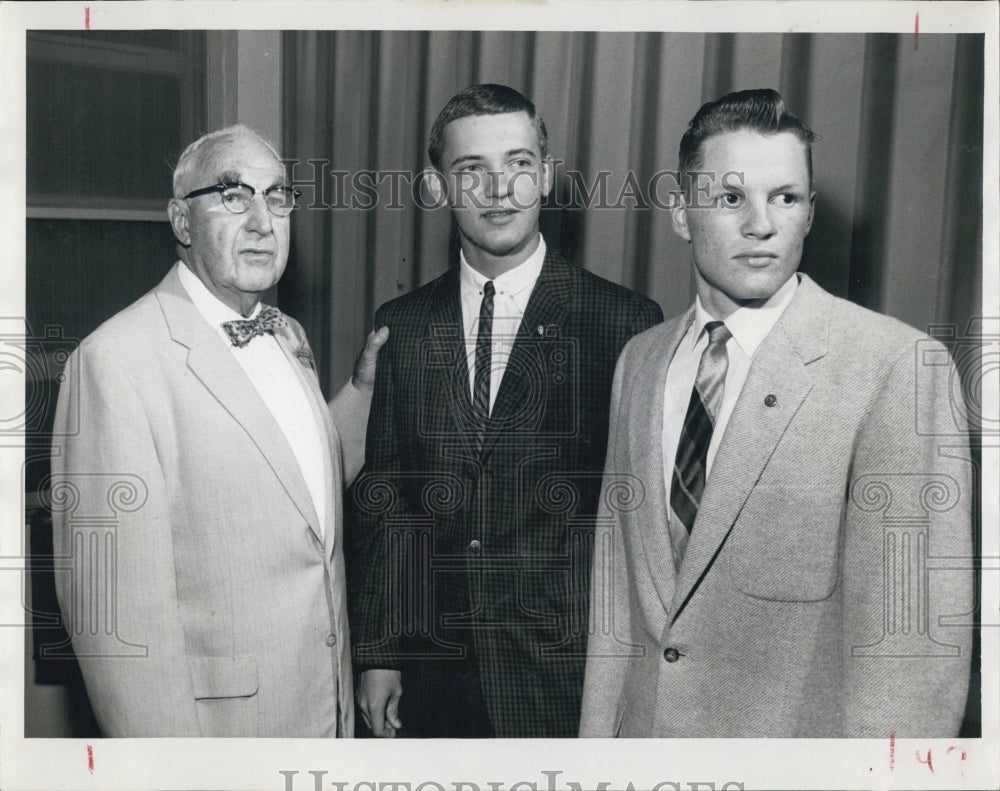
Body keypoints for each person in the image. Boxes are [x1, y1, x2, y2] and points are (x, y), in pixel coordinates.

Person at [579, 88, 974, 738]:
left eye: (785, 198)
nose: (761, 224)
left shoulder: (895, 366)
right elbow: (614, 610)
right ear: (680, 212)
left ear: (810, 213)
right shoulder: (640, 363)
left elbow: (913, 655)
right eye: (730, 198)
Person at [50, 125, 387, 737]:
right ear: (182, 221)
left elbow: (293, 497)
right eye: (234, 196)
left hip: (322, 720)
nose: (262, 220)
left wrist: (363, 394)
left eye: (277, 196)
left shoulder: (287, 336)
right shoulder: (115, 362)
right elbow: (113, 627)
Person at [351, 84, 663, 738]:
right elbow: (390, 500)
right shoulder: (403, 326)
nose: (499, 189)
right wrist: (379, 653)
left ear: (546, 176)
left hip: (563, 677)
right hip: (435, 679)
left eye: (519, 163)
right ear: (438, 188)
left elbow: (639, 524)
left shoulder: (623, 324)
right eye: (472, 170)